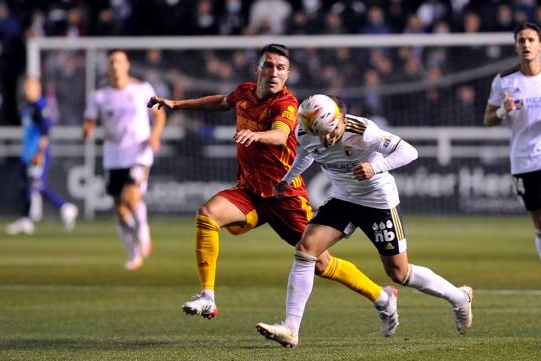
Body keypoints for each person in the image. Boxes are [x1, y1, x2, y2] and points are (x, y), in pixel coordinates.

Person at [147, 44, 394, 330]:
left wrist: (256, 134)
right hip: (250, 191)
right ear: (258, 69)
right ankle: (208, 296)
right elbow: (222, 101)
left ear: (288, 75)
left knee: (321, 263)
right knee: (207, 214)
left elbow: (280, 135)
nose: (274, 72)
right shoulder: (245, 92)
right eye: (268, 65)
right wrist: (177, 104)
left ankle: (382, 297)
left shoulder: (287, 104)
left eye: (280, 68)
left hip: (284, 195)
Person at [256, 95, 473, 348]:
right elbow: (307, 153)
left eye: (331, 131)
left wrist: (376, 168)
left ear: (342, 119)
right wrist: (287, 179)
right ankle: (291, 328)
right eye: (320, 134)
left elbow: (409, 151)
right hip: (343, 198)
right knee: (306, 250)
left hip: (377, 201)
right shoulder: (305, 131)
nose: (326, 139)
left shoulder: (364, 132)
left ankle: (459, 297)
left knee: (399, 273)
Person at [483, 23, 541, 308]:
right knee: (538, 224)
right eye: (521, 40)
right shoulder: (504, 80)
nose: (526, 44)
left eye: (531, 40)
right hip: (522, 159)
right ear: (516, 46)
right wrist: (503, 110)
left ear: (540, 45)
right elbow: (488, 118)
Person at [83, 49, 166, 271]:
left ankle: (143, 233)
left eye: (120, 61)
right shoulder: (99, 96)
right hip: (113, 156)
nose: (116, 66)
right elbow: (89, 121)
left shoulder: (142, 89)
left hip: (139, 153)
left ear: (127, 65)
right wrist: (87, 130)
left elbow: (159, 114)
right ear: (108, 67)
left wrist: (155, 135)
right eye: (112, 62)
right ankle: (133, 252)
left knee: (131, 197)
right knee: (120, 209)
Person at [6, 75, 78, 235]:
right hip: (28, 153)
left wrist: (39, 153)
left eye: (30, 87)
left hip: (36, 154)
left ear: (38, 88)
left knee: (38, 185)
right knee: (26, 186)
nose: (27, 90)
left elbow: (46, 132)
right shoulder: (28, 106)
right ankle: (26, 220)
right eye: (26, 87)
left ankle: (64, 207)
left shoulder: (40, 106)